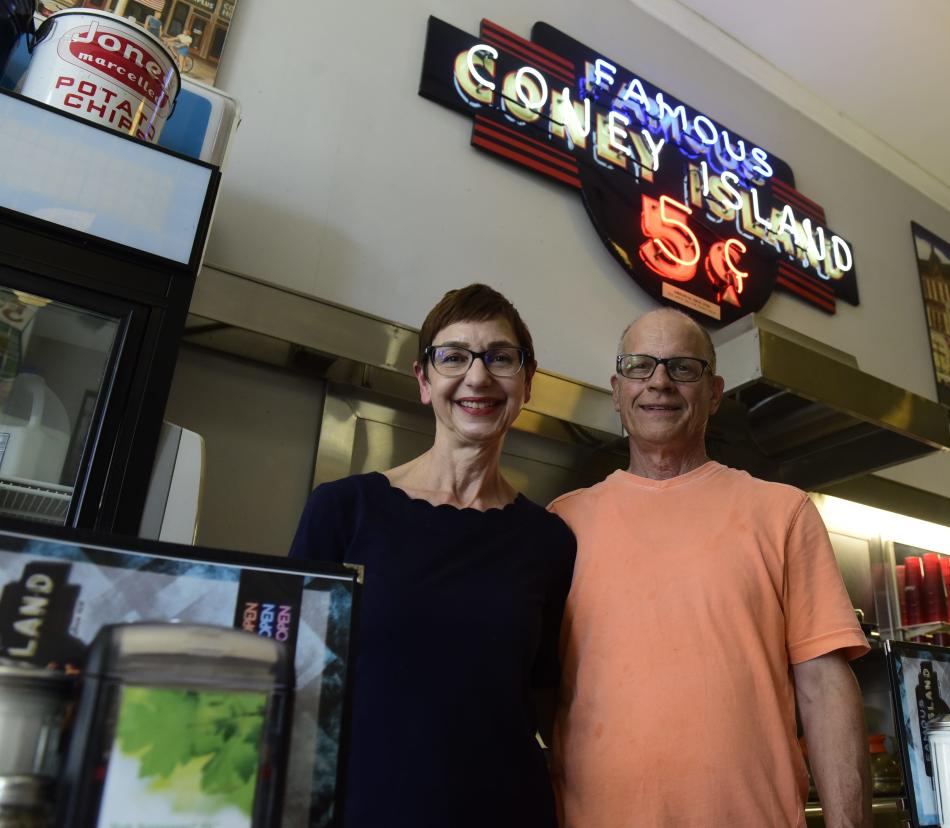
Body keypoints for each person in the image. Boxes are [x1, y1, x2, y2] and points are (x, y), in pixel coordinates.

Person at [549, 307, 872, 828]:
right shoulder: (563, 523)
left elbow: (824, 687)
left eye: (683, 367)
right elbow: (538, 691)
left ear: (716, 392)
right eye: (640, 366)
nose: (659, 381)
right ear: (616, 389)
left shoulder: (782, 512)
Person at [289, 284, 575, 827]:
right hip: (362, 812)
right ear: (424, 380)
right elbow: (293, 682)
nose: (478, 376)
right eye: (454, 357)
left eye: (501, 357)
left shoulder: (551, 541)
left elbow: (548, 700)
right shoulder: (344, 512)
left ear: (528, 384)